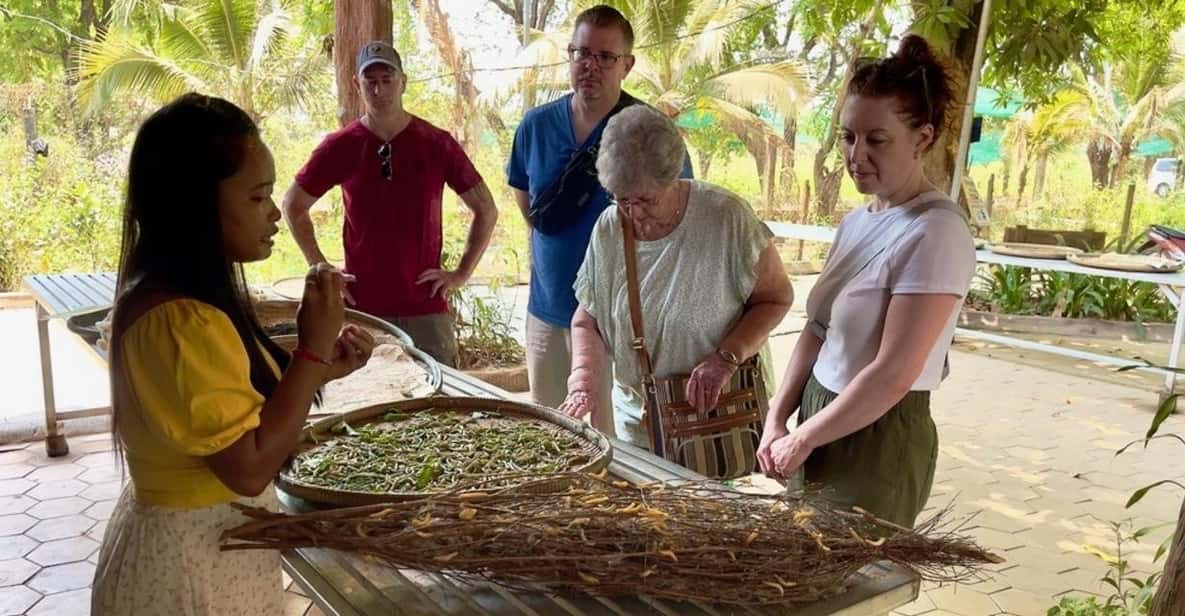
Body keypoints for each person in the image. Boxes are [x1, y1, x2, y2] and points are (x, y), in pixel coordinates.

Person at [91, 93, 375, 614]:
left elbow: (237, 413)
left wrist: (321, 368)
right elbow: (248, 468)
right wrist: (311, 349)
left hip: (209, 551)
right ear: (196, 205)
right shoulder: (178, 321)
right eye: (257, 197)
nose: (272, 214)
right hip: (188, 568)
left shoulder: (186, 299)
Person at [757, 35, 976, 528]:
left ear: (923, 137)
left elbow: (895, 371)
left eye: (877, 140)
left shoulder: (935, 232)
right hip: (818, 413)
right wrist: (778, 419)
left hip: (878, 430)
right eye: (848, 137)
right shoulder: (857, 221)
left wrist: (804, 436)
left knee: (848, 589)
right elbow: (817, 330)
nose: (857, 155)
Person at [556, 105, 793, 454]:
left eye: (646, 200)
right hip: (639, 421)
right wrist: (583, 378)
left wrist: (725, 358)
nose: (634, 214)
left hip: (713, 418)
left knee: (707, 505)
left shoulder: (727, 218)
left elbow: (776, 298)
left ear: (673, 178)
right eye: (622, 200)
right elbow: (586, 320)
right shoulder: (609, 228)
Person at [507, 5, 691, 430]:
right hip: (548, 312)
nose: (590, 65)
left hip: (621, 323)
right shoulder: (534, 126)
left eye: (605, 57)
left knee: (615, 444)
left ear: (627, 64)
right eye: (580, 53)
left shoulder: (652, 132)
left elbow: (676, 213)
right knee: (550, 432)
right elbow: (526, 202)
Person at [284, 40, 498, 367]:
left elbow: (486, 208)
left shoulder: (436, 143)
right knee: (369, 401)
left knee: (442, 403)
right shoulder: (340, 146)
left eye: (387, 79)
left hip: (426, 306)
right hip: (364, 307)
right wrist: (321, 267)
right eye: (370, 80)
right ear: (357, 84)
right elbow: (292, 205)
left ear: (403, 82)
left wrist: (460, 274)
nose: (379, 89)